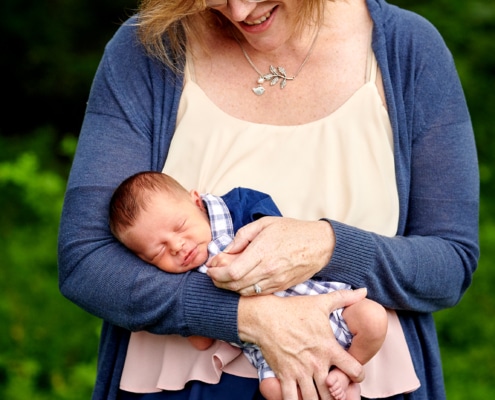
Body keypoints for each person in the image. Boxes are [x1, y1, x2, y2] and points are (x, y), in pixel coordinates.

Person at [57, 0, 479, 399]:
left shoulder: (409, 50)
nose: (239, 11)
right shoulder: (149, 47)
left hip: (355, 383)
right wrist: (248, 317)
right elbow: (86, 262)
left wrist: (327, 247)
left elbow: (449, 263)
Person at [108, 170, 388, 400]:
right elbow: (202, 340)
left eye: (180, 227)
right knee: (272, 389)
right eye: (159, 252)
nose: (179, 247)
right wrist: (195, 311)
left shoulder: (237, 208)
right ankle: (336, 385)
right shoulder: (180, 282)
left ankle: (351, 365)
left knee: (373, 318)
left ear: (196, 201)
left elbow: (279, 234)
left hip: (321, 301)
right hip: (272, 350)